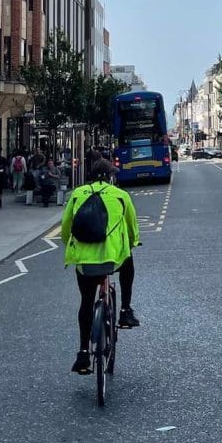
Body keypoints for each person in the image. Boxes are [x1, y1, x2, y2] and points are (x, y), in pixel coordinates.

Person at [60, 156, 141, 374]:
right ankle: (125, 310)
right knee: (128, 261)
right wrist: (132, 243)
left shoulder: (77, 195)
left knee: (86, 301)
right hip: (112, 258)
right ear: (110, 177)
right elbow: (132, 228)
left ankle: (83, 353)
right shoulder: (121, 196)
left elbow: (66, 228)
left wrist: (70, 245)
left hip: (84, 261)